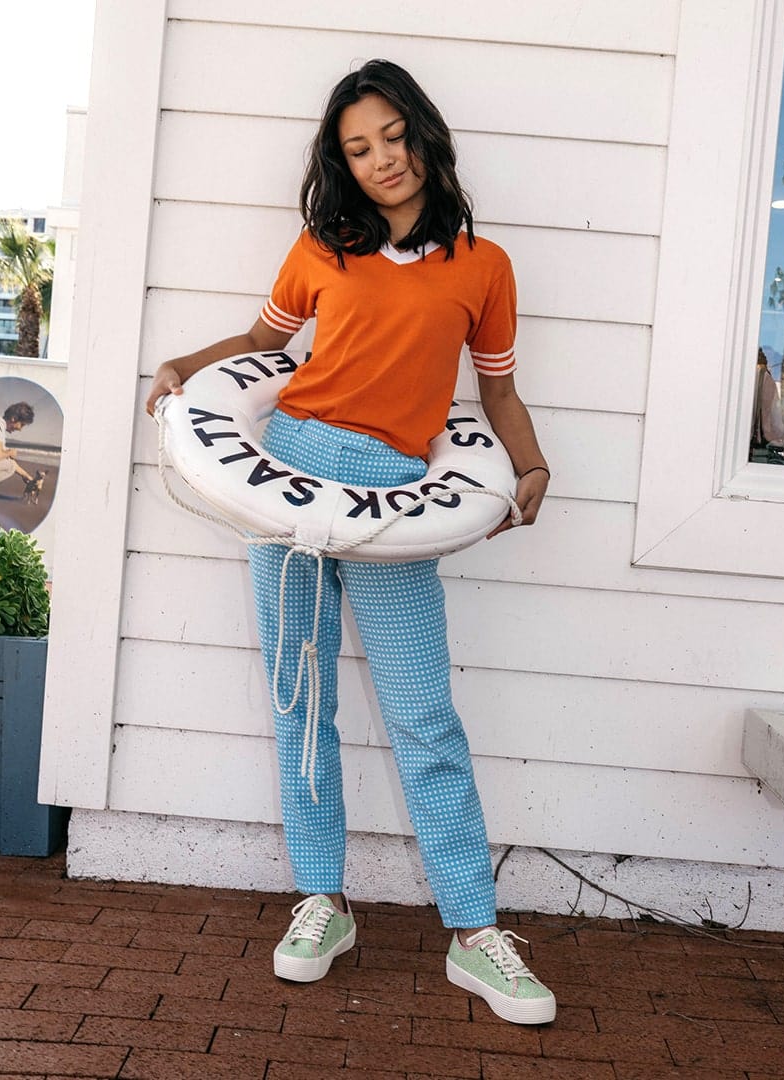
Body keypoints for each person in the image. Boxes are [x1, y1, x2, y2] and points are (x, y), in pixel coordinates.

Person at [145, 60, 555, 1025]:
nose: (382, 160)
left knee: (424, 714)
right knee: (303, 698)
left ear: (424, 134)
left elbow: (495, 392)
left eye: (394, 137)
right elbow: (266, 343)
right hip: (289, 475)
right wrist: (180, 368)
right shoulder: (322, 246)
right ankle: (322, 901)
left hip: (395, 493)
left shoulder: (484, 266)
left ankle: (472, 932)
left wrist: (531, 468)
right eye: (357, 148)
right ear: (342, 162)